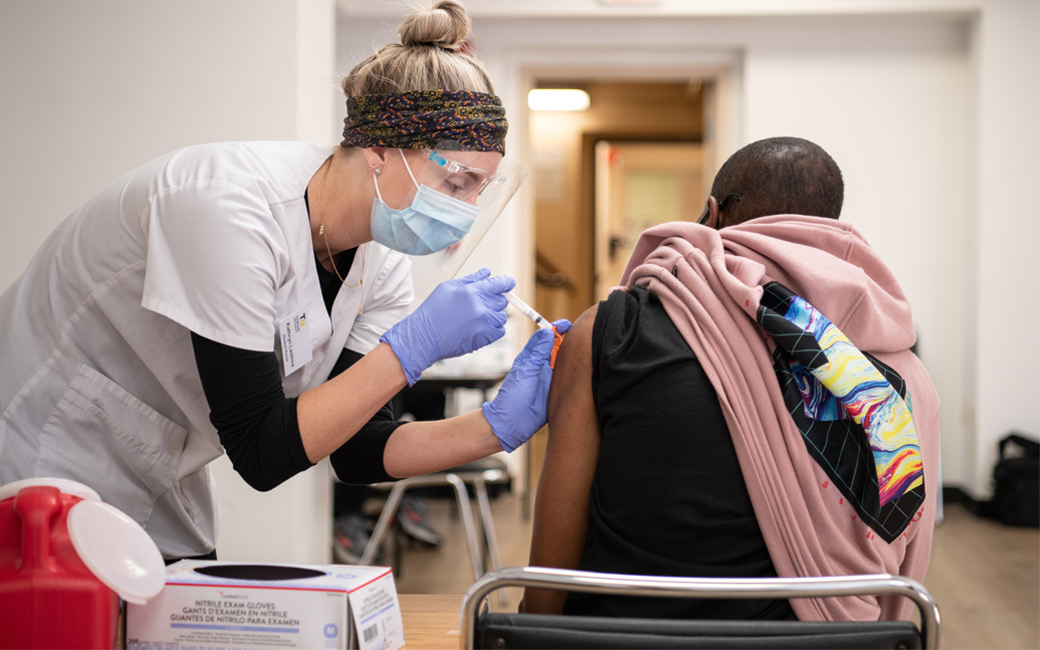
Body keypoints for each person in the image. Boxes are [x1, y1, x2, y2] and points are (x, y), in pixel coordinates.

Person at [0, 0, 567, 562]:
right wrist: (410, 350)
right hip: (44, 448)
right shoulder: (228, 208)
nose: (466, 212)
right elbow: (261, 454)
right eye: (458, 182)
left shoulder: (381, 259)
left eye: (480, 191)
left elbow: (357, 450)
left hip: (158, 465)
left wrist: (493, 427)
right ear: (378, 148)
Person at [521, 137, 939, 622]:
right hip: (831, 642)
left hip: (624, 635)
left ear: (713, 214)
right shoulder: (900, 373)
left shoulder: (609, 329)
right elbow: (903, 564)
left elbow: (548, 579)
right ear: (830, 225)